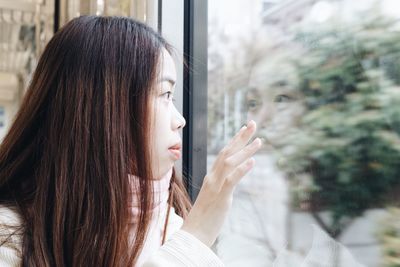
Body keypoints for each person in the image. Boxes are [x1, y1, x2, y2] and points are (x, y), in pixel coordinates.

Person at [0, 16, 261, 266]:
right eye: (165, 94)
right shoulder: (10, 238)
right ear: (105, 108)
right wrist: (196, 238)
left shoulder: (172, 220)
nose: (180, 120)